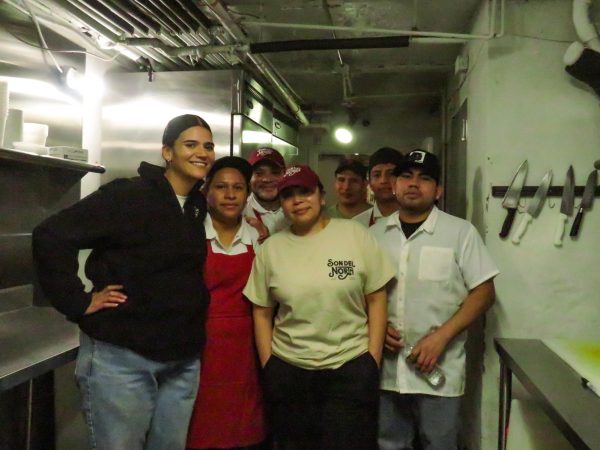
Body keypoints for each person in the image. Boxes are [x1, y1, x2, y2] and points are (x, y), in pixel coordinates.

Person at [32, 114, 215, 450]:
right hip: (123, 358)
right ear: (167, 152)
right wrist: (78, 301)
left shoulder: (195, 206)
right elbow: (51, 235)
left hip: (181, 359)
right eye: (190, 144)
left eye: (208, 146)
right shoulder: (129, 196)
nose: (202, 152)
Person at [244, 165, 395, 450]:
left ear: (321, 196)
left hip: (348, 367)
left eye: (305, 192)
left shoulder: (355, 235)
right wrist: (270, 364)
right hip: (291, 370)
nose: (298, 200)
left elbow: (377, 297)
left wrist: (371, 361)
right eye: (288, 195)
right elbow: (262, 310)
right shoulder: (271, 249)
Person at [369, 150, 499, 450]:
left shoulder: (460, 233)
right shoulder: (375, 235)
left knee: (439, 443)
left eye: (425, 178)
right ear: (394, 185)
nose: (414, 184)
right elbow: (360, 292)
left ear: (438, 190)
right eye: (406, 176)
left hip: (439, 370)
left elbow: (484, 292)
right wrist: (371, 326)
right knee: (389, 444)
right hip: (386, 371)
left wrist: (441, 337)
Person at [187, 156, 267, 450]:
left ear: (248, 194)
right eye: (221, 187)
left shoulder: (258, 239)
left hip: (246, 347)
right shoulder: (191, 234)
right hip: (198, 344)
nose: (230, 194)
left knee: (243, 428)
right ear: (206, 190)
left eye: (238, 188)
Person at [354, 147, 404, 228]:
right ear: (369, 182)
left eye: (391, 174)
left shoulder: (419, 220)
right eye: (377, 175)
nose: (383, 180)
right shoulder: (357, 224)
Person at [244, 147, 288, 234]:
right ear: (249, 177)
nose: (267, 179)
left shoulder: (297, 210)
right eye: (259, 173)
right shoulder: (240, 214)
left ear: (285, 174)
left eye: (275, 172)